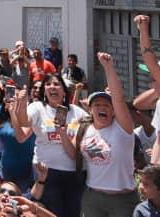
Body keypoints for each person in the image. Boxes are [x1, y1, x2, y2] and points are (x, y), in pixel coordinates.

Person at [73, 53, 138, 216]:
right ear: (90, 109)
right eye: (97, 105)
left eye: (107, 105)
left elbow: (118, 99)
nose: (102, 107)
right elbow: (72, 153)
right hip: (92, 198)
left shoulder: (123, 129)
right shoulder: (85, 129)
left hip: (122, 200)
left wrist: (108, 67)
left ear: (114, 111)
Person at [16, 72, 87, 217]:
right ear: (44, 91)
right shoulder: (38, 108)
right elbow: (24, 122)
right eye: (48, 84)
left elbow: (80, 145)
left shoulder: (77, 112)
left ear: (64, 90)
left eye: (56, 84)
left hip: (72, 174)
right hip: (46, 173)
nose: (52, 87)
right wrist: (22, 104)